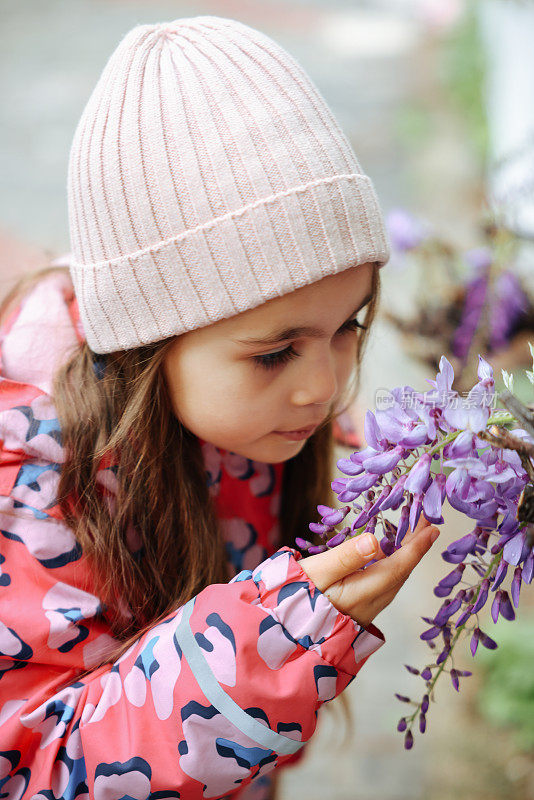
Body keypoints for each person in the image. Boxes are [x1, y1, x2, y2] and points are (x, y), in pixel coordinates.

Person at [0, 16, 440, 799]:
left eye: (349, 328)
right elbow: (32, 768)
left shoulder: (263, 417)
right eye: (275, 352)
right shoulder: (38, 488)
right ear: (147, 338)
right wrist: (257, 662)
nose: (325, 387)